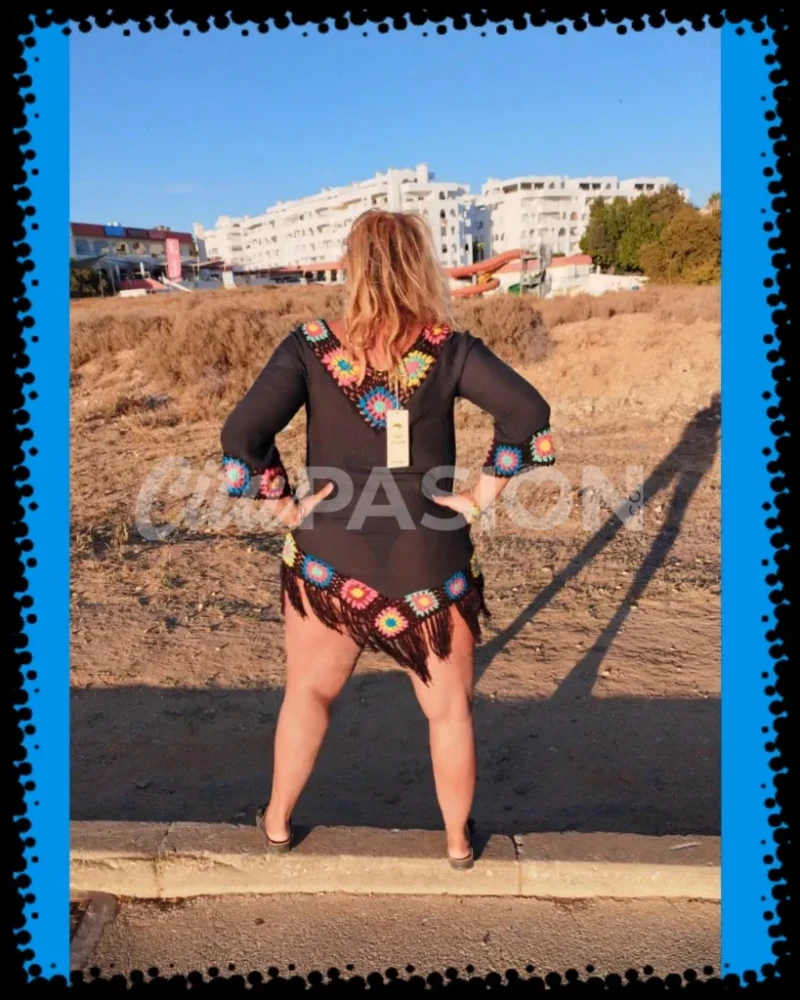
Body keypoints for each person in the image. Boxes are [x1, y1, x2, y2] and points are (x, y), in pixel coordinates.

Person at [220, 210, 555, 868]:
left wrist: (283, 504)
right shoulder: (451, 349)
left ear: (353, 268)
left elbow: (241, 435)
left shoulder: (310, 345)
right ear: (420, 267)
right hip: (431, 563)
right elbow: (528, 412)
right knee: (449, 711)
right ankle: (458, 842)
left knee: (308, 694)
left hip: (328, 562)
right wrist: (482, 496)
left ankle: (278, 823)